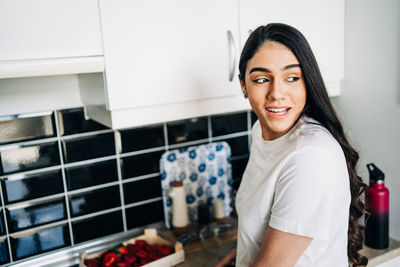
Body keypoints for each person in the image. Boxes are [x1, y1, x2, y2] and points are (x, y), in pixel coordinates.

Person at [216, 23, 368, 267]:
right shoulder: (262, 132)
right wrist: (244, 253)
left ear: (307, 82)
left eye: (292, 78)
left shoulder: (311, 156)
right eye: (262, 79)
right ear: (243, 85)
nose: (277, 93)